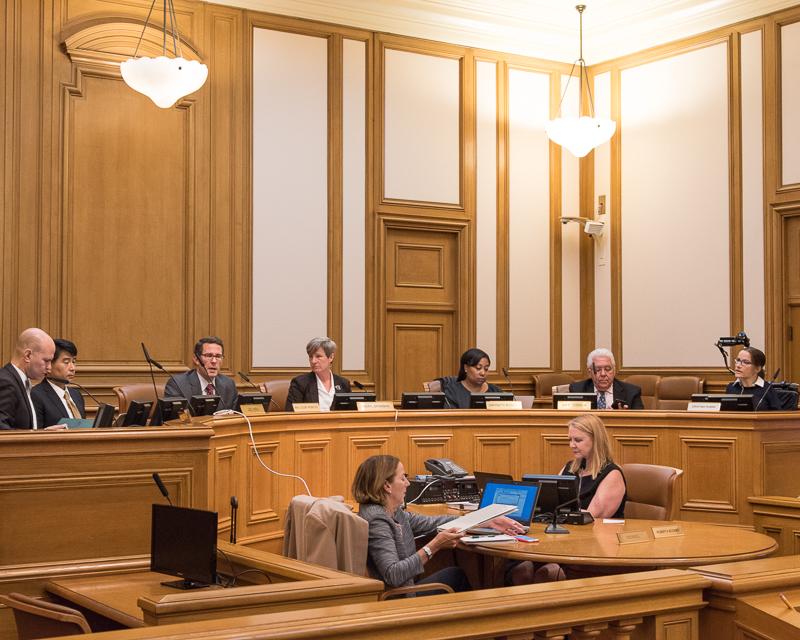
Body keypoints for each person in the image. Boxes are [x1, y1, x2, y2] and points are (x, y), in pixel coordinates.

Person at [353, 454, 524, 593]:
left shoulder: (393, 511)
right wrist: (434, 546)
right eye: (403, 478)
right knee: (456, 577)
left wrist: (486, 520)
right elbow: (393, 574)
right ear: (387, 486)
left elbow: (433, 522)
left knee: (456, 574)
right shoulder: (377, 519)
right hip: (398, 600)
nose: (408, 483)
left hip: (405, 589)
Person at [0, 328, 63, 430]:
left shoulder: (21, 382)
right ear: (28, 356)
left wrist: (42, 434)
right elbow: (2, 432)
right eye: (46, 361)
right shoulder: (5, 382)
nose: (49, 368)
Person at [164, 337, 238, 410]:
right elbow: (175, 417)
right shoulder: (178, 384)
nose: (214, 361)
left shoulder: (229, 384)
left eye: (218, 356)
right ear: (196, 359)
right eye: (209, 356)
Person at [284, 337, 350, 411]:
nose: (313, 361)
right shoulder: (300, 383)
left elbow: (350, 412)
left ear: (331, 357)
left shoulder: (343, 383)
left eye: (318, 356)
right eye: (310, 357)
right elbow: (291, 412)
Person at [31, 338, 85, 427]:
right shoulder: (36, 395)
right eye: (66, 362)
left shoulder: (76, 395)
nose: (72, 368)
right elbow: (35, 433)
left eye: (74, 362)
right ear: (49, 364)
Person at [569, 348, 643, 409]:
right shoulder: (577, 390)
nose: (603, 374)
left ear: (614, 371)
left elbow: (641, 422)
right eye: (598, 370)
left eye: (608, 369)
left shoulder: (632, 392)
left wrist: (624, 418)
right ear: (590, 372)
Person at [439, 348, 503, 409]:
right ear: (466, 368)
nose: (483, 373)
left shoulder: (495, 391)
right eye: (478, 368)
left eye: (486, 369)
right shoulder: (452, 391)